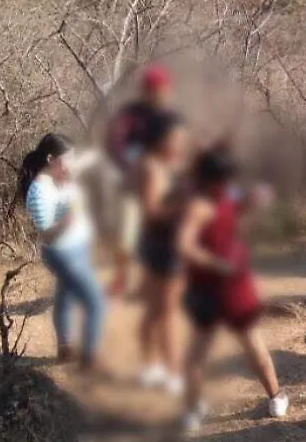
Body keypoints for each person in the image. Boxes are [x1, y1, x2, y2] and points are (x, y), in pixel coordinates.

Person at [178, 147, 289, 432]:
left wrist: (253, 201)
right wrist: (217, 264)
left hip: (228, 286)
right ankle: (194, 409)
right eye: (224, 179)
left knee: (244, 346)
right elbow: (185, 246)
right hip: (214, 286)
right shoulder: (198, 205)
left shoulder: (221, 196)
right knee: (203, 353)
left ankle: (275, 397)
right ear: (212, 179)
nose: (229, 183)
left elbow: (234, 209)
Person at [17, 134, 106, 372]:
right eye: (69, 158)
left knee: (65, 296)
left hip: (76, 247)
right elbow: (47, 234)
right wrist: (69, 218)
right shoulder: (38, 191)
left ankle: (66, 348)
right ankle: (90, 358)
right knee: (95, 301)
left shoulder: (59, 179)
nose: (73, 162)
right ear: (51, 158)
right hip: (63, 253)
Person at [102, 64, 176, 296]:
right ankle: (122, 277)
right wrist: (127, 164)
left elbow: (176, 150)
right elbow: (114, 142)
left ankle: (151, 280)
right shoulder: (131, 114)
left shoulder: (168, 117)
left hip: (159, 183)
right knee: (126, 232)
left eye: (162, 89)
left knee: (157, 234)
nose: (159, 93)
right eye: (154, 89)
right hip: (130, 183)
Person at [132, 114, 190, 395]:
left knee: (158, 310)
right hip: (159, 246)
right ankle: (171, 372)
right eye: (176, 137)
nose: (181, 142)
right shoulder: (150, 167)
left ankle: (151, 366)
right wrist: (184, 207)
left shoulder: (173, 163)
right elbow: (151, 211)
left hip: (169, 243)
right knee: (165, 312)